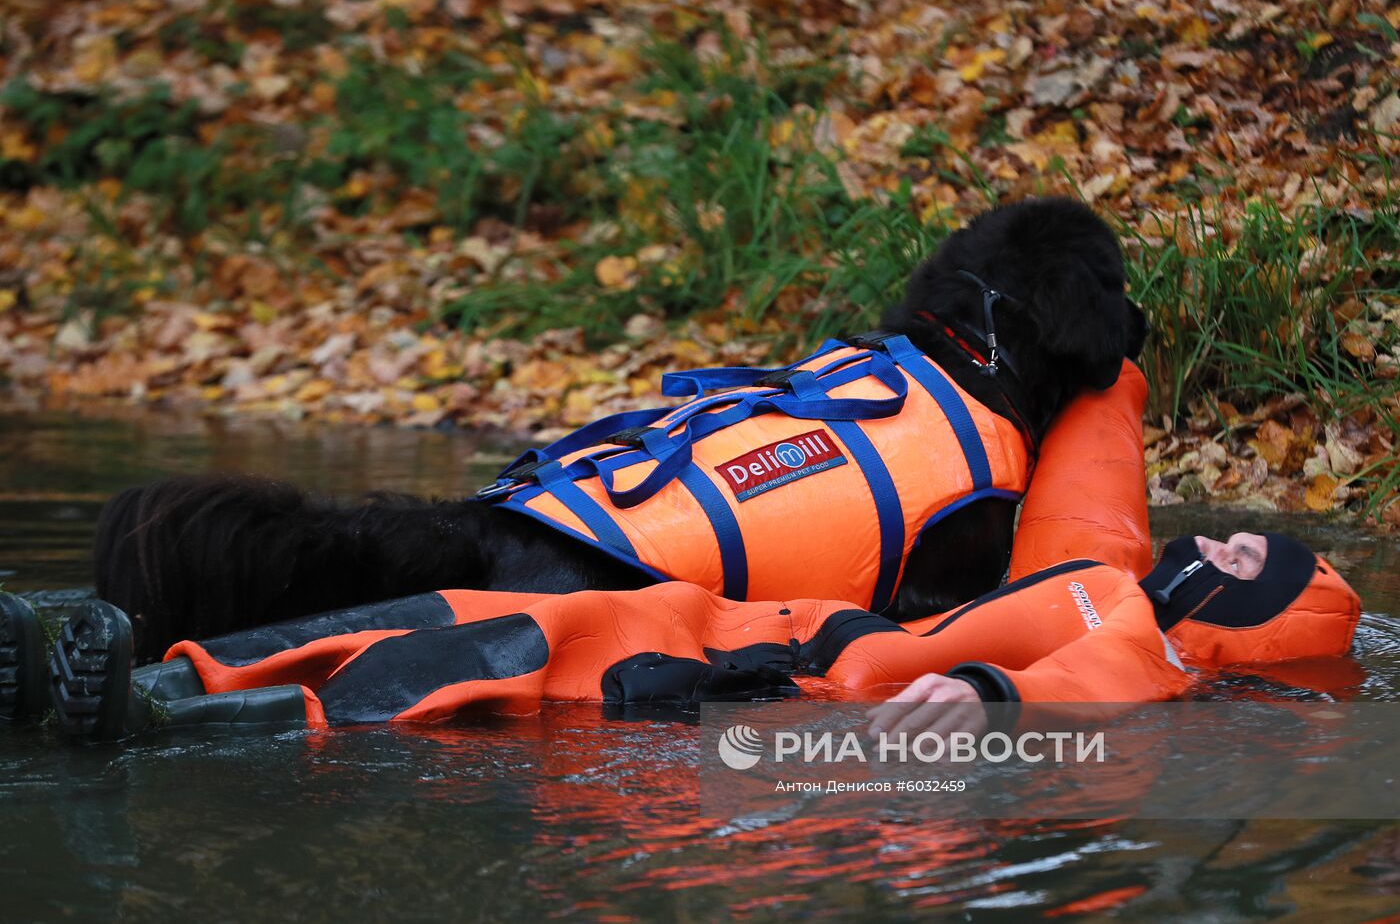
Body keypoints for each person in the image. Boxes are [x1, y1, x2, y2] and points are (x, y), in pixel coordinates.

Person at [0, 529, 1361, 742]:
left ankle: (160, 724)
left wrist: (984, 695)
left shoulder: (1161, 648)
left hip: (757, 679)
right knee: (462, 613)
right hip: (751, 626)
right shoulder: (1116, 578)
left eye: (1254, 559)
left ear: (1264, 612)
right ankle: (141, 671)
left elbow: (1085, 685)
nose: (1225, 540)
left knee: (487, 659)